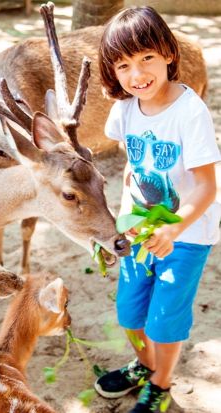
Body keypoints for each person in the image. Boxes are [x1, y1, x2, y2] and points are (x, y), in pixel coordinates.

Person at [94, 6, 220, 413]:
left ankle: (161, 384)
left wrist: (173, 230)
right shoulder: (125, 109)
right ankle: (144, 365)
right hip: (141, 230)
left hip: (187, 234)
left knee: (164, 320)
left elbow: (207, 186)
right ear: (113, 72)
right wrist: (124, 214)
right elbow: (133, 164)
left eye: (146, 57)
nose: (137, 74)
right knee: (130, 313)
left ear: (168, 53)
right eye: (123, 65)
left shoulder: (189, 112)